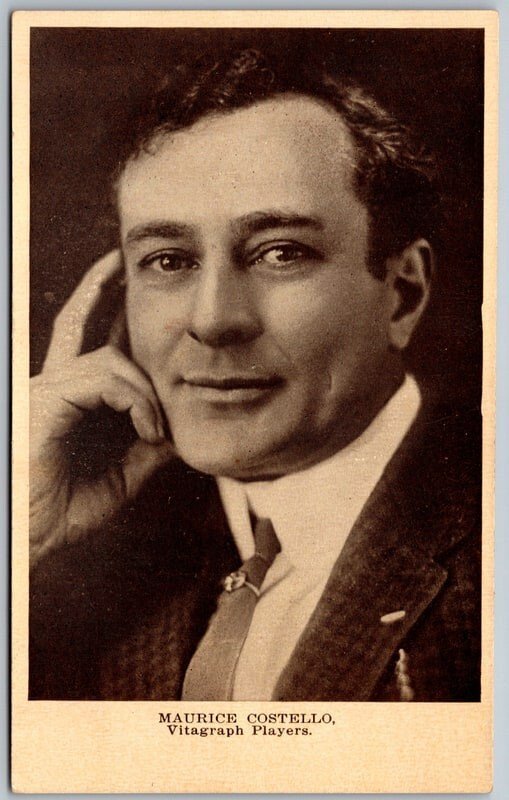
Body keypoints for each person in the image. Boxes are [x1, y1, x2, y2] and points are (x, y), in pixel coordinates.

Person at [29, 49, 481, 701]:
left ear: (402, 294)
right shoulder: (75, 569)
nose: (213, 320)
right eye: (168, 261)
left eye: (281, 252)